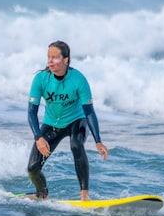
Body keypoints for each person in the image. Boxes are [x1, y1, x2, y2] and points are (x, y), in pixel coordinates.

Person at [27, 40, 108, 201]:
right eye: (48, 57)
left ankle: (84, 195)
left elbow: (90, 112)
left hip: (76, 121)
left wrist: (98, 141)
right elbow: (31, 112)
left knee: (76, 145)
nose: (50, 61)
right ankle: (42, 194)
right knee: (32, 168)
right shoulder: (41, 79)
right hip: (51, 124)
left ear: (66, 60)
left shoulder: (78, 79)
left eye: (55, 57)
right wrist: (38, 137)